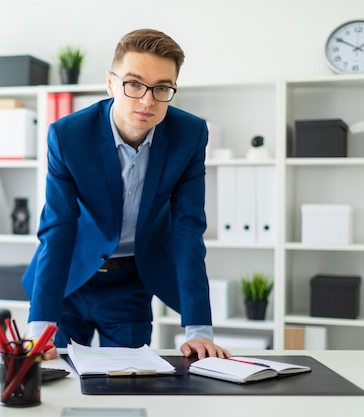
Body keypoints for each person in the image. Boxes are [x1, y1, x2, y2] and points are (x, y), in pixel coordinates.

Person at [22, 28, 230, 360]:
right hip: (68, 279)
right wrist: (40, 328)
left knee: (129, 385)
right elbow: (58, 228)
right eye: (133, 84)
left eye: (162, 88)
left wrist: (199, 330)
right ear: (110, 83)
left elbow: (188, 230)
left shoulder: (189, 135)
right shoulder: (67, 136)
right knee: (53, 380)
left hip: (131, 282)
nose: (147, 100)